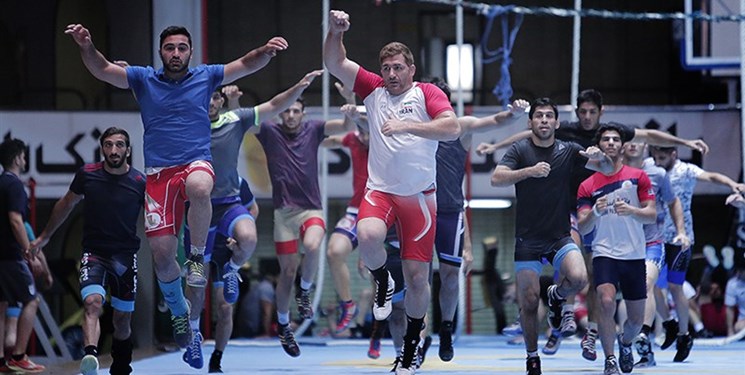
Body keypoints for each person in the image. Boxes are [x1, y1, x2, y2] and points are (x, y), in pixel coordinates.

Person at [65, 23, 287, 348]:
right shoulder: (143, 79)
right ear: (161, 52)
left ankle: (197, 256)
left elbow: (245, 64)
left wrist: (265, 53)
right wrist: (86, 46)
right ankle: (179, 310)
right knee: (162, 257)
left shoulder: (206, 76)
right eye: (170, 48)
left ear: (190, 52)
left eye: (182, 48)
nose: (176, 54)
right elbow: (102, 69)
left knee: (200, 186)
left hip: (195, 162)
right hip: (158, 175)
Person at [478, 89, 710, 361]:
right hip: (574, 207)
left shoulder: (621, 151)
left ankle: (595, 330)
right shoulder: (562, 133)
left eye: (592, 112)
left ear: (602, 115)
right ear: (575, 114)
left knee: (593, 276)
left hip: (607, 215)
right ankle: (561, 317)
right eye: (583, 112)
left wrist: (686, 142)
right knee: (573, 261)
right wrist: (495, 147)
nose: (587, 117)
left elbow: (650, 136)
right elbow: (527, 137)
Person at [324, 9, 461, 375]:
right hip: (380, 191)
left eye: (398, 67)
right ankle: (383, 278)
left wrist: (409, 125)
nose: (392, 74)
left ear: (411, 69)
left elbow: (451, 129)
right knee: (367, 234)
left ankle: (412, 348)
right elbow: (335, 63)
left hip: (420, 198)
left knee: (418, 279)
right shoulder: (372, 89)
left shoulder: (427, 93)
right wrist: (335, 32)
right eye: (386, 68)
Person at [181, 70, 327, 367]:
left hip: (229, 203)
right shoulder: (187, 126)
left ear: (220, 101)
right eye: (204, 97)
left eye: (214, 97)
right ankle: (194, 334)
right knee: (195, 287)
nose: (209, 102)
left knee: (248, 238)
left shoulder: (235, 120)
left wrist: (299, 85)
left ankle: (233, 270)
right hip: (198, 211)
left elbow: (274, 105)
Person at [490, 98, 611, 375]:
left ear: (557, 123)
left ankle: (557, 296)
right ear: (530, 122)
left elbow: (604, 169)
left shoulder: (568, 150)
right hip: (527, 241)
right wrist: (528, 172)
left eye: (549, 116)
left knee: (579, 278)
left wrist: (600, 155)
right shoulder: (520, 149)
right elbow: (497, 178)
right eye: (538, 116)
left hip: (559, 235)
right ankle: (532, 357)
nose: (544, 120)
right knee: (530, 301)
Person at [422, 76, 528, 361]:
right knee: (418, 278)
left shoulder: (461, 127)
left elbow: (493, 121)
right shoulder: (414, 129)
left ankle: (445, 326)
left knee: (448, 276)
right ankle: (419, 335)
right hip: (419, 211)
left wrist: (515, 113)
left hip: (449, 212)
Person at [254, 73, 355, 358]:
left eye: (295, 110)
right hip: (284, 215)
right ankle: (284, 326)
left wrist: (349, 100)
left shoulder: (314, 129)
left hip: (311, 209)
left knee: (312, 246)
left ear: (303, 112)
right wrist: (236, 102)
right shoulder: (269, 131)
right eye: (285, 110)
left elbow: (346, 126)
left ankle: (305, 291)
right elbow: (246, 123)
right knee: (286, 272)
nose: (290, 115)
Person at [29, 127, 145, 375]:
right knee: (92, 303)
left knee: (122, 319)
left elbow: (157, 220)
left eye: (119, 145)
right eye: (109, 145)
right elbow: (65, 204)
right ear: (102, 148)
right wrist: (44, 236)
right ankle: (90, 356)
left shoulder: (139, 182)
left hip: (125, 257)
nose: (114, 150)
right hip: (94, 254)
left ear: (128, 150)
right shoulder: (87, 175)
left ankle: (121, 364)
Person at [649, 145, 744, 362]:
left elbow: (711, 176)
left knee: (675, 287)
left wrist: (732, 184)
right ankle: (669, 324)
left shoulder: (686, 170)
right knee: (653, 285)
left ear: (674, 154)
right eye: (655, 155)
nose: (658, 159)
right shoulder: (652, 170)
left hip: (681, 239)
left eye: (662, 156)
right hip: (655, 237)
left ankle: (684, 335)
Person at [577, 123, 657, 375]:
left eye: (615, 139)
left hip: (634, 255)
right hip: (604, 253)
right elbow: (582, 225)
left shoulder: (638, 176)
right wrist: (596, 211)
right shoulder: (588, 185)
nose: (610, 143)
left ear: (622, 146)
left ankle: (625, 344)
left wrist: (632, 211)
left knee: (634, 321)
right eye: (606, 139)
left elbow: (651, 215)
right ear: (599, 146)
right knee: (606, 301)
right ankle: (609, 358)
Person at [621, 138, 689, 368]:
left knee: (651, 284)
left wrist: (682, 231)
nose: (632, 144)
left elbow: (673, 201)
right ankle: (644, 335)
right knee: (630, 295)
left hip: (654, 243)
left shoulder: (658, 174)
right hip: (624, 246)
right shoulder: (614, 170)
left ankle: (671, 334)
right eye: (627, 141)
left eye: (637, 141)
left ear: (646, 146)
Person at [321, 83, 368, 335]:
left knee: (378, 274)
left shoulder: (391, 141)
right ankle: (347, 304)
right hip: (356, 212)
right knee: (334, 251)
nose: (365, 135)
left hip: (385, 214)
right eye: (362, 130)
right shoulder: (353, 139)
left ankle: (377, 327)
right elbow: (331, 140)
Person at [0, 138, 45, 373]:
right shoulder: (15, 185)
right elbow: (16, 220)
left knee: (1, 304)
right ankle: (18, 356)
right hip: (10, 255)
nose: (25, 160)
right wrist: (28, 252)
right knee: (32, 299)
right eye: (24, 156)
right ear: (18, 157)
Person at [725, 263, 745, 337]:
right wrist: (730, 331)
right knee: (738, 327)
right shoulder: (732, 284)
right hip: (743, 322)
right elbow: (730, 308)